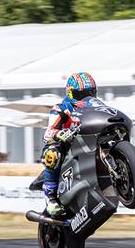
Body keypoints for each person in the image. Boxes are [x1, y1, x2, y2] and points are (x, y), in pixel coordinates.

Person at [41, 72, 98, 218]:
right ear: (70, 93)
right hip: (66, 148)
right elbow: (48, 134)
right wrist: (59, 134)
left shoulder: (96, 108)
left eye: (89, 93)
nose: (86, 97)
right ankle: (50, 198)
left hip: (87, 147)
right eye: (81, 94)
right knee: (52, 153)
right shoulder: (60, 109)